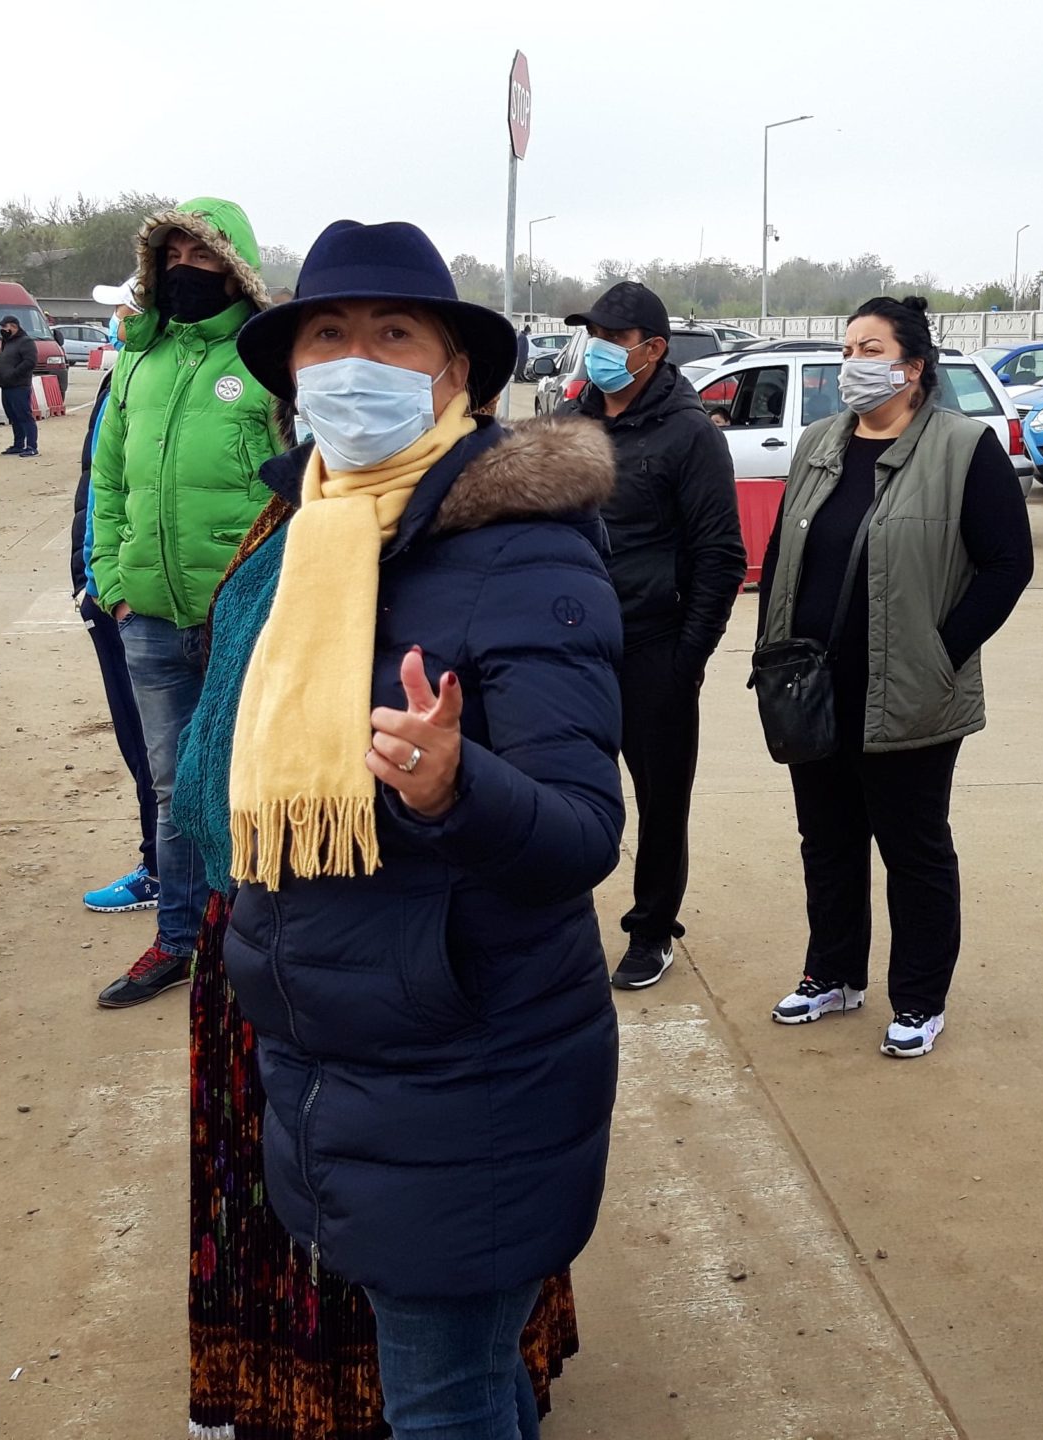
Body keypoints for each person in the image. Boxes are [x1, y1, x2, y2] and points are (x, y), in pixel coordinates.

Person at [204, 217, 622, 1440]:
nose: (352, 360)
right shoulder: (312, 534)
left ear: (456, 375)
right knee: (466, 1386)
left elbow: (581, 834)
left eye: (393, 334)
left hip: (467, 1070)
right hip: (345, 1058)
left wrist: (453, 788)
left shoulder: (526, 553)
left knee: (440, 1402)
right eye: (327, 334)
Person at [756, 296, 1033, 1059]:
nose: (853, 364)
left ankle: (918, 998)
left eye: (870, 349)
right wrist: (769, 652)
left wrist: (942, 654)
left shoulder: (962, 448)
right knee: (828, 838)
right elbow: (783, 553)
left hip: (909, 691)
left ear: (912, 368)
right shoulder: (819, 441)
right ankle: (834, 974)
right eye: (848, 347)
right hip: (814, 688)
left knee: (913, 848)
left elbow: (1009, 565)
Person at [86, 198, 279, 1008]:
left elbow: (300, 487)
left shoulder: (269, 360)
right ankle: (177, 939)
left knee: (247, 781)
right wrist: (113, 583)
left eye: (202, 258)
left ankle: (255, 942)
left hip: (244, 618)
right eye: (170, 258)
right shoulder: (138, 360)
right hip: (152, 616)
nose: (184, 273)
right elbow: (109, 480)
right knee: (172, 786)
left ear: (234, 266)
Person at [561, 280, 744, 988]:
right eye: (592, 336)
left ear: (653, 350)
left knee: (662, 799)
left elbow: (720, 555)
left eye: (612, 339)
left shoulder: (689, 433)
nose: (598, 350)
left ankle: (651, 928)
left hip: (654, 647)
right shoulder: (575, 419)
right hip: (575, 648)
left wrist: (687, 659)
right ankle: (562, 917)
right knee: (568, 788)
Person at [71, 296, 161, 915]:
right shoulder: (122, 371)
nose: (120, 317)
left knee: (171, 753)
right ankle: (160, 864)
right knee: (139, 743)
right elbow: (101, 486)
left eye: (131, 305)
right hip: (112, 591)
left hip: (158, 599)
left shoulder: (177, 376)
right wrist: (94, 579)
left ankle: (171, 872)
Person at [0, 313, 39, 457]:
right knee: (13, 416)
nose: (2, 329)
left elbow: (29, 362)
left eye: (4, 326)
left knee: (24, 415)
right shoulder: (6, 342)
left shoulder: (25, 342)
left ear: (13, 327)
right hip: (6, 385)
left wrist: (13, 374)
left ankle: (31, 446)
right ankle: (18, 444)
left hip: (19, 385)